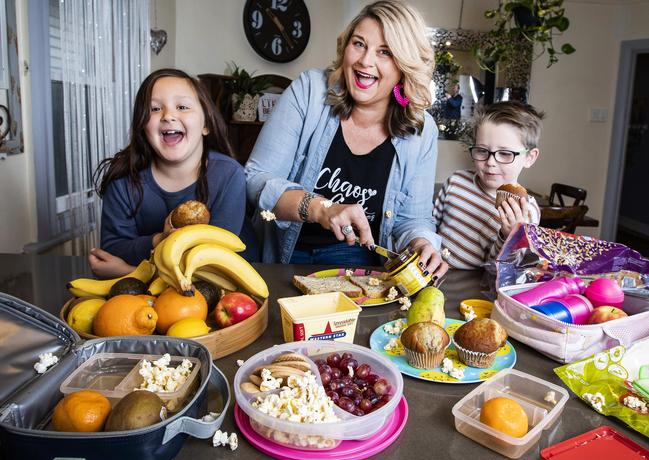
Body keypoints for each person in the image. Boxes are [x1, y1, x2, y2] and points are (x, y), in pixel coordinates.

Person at [245, 1, 448, 278]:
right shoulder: (309, 91)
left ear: (404, 65)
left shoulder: (421, 131)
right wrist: (320, 208)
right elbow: (255, 178)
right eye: (359, 44)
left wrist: (422, 242)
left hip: (358, 262)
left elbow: (413, 218)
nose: (365, 61)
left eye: (385, 52)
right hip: (283, 255)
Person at [90, 68, 247, 278]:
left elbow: (212, 265)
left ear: (206, 124)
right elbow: (112, 251)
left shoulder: (229, 176)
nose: (168, 116)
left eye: (182, 106)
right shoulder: (122, 179)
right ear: (142, 126)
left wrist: (130, 272)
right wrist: (160, 238)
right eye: (154, 109)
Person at [433, 101, 543, 269]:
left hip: (472, 289)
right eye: (482, 151)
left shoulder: (526, 211)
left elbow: (500, 269)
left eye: (505, 154)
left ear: (530, 157)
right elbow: (430, 224)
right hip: (430, 274)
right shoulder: (456, 181)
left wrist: (508, 237)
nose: (490, 162)